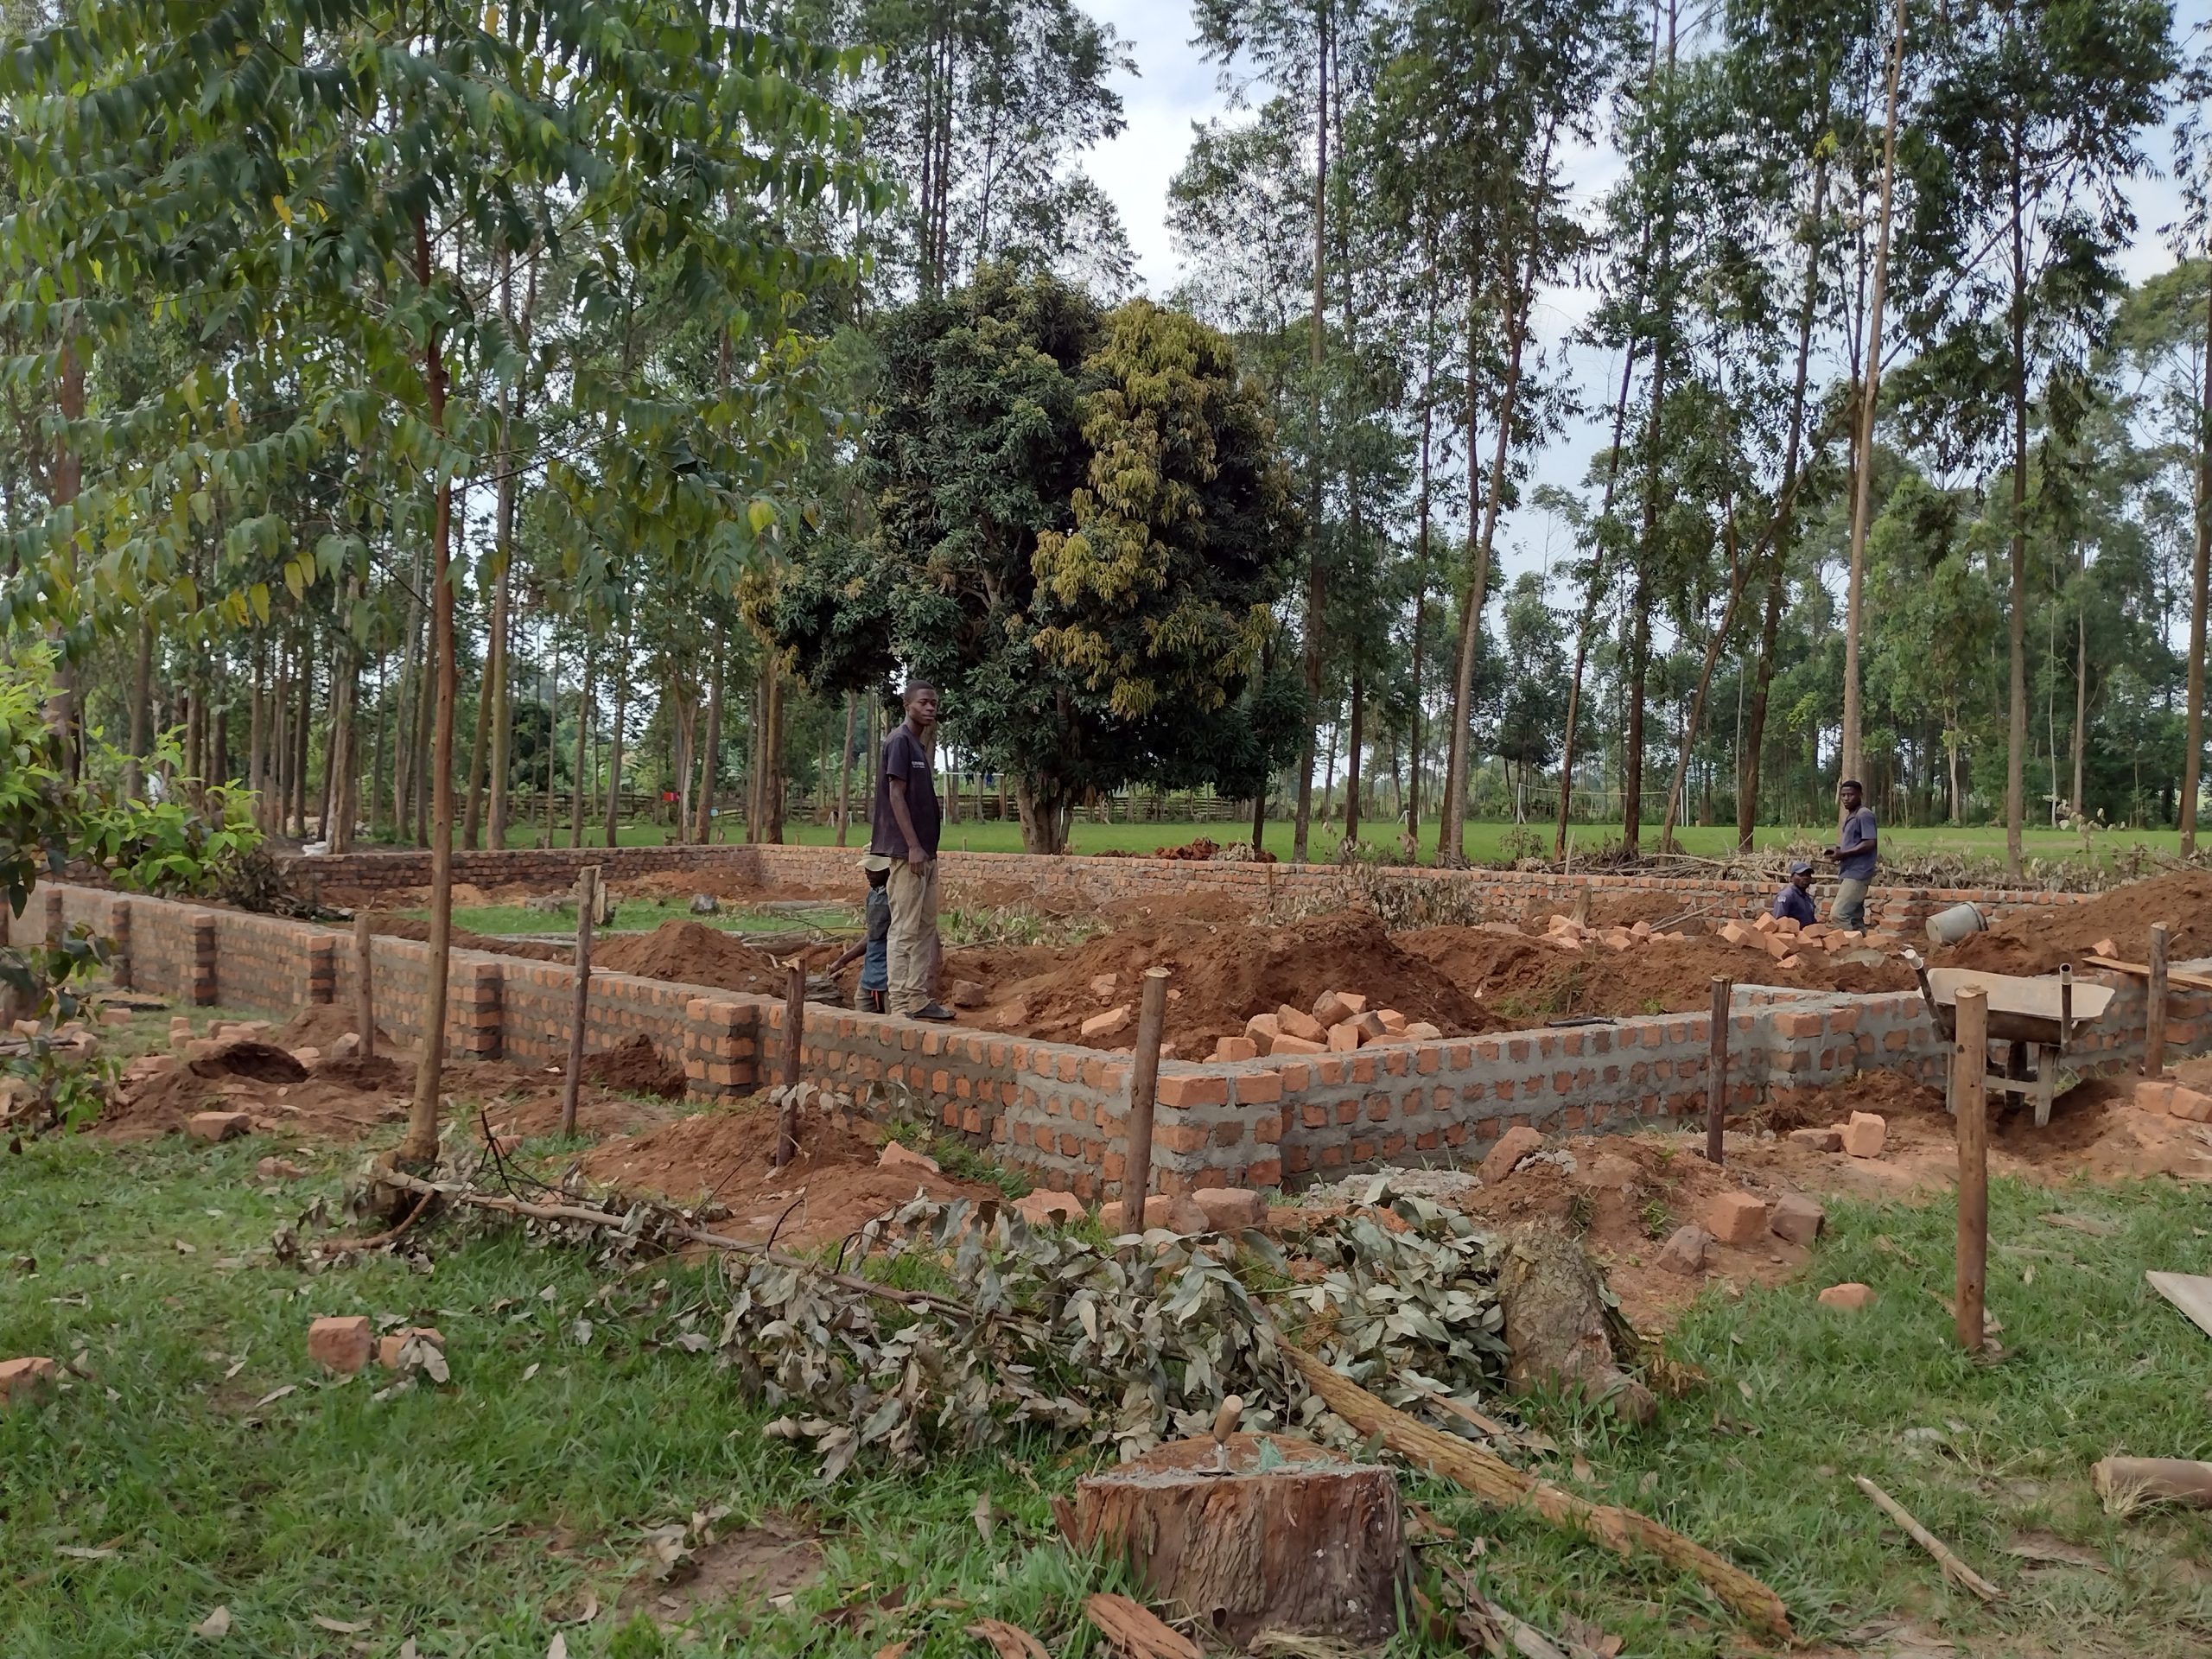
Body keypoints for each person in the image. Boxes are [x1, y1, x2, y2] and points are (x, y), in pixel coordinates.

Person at [871, 682, 951, 1020]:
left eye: (934, 703)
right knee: (904, 929)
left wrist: (926, 849)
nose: (930, 708)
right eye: (923, 702)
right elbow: (895, 794)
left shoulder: (917, 745)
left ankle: (918, 999)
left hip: (926, 854)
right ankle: (901, 1006)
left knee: (925, 927)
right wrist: (913, 846)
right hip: (908, 855)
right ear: (907, 705)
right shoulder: (899, 742)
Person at [823, 855, 893, 1014]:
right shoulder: (873, 894)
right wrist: (842, 961)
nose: (867, 873)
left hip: (892, 976)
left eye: (873, 869)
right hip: (870, 974)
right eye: (867, 869)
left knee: (895, 1023)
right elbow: (871, 935)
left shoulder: (896, 898)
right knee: (862, 1018)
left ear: (887, 870)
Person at [1828, 779, 1878, 932]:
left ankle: (1848, 944)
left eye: (1850, 795)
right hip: (1849, 871)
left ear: (1860, 795)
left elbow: (1870, 842)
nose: (1846, 798)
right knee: (1854, 918)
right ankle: (1861, 943)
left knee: (1839, 914)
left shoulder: (1864, 815)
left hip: (1858, 873)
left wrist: (1843, 853)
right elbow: (1854, 842)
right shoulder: (1852, 815)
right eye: (1843, 795)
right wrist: (1838, 851)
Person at [1770, 861, 1817, 929]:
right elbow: (1779, 922)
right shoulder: (1786, 896)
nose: (1805, 877)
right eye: (1801, 875)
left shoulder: (1807, 898)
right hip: (1792, 935)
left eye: (1808, 875)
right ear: (1792, 877)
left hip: (1806, 935)